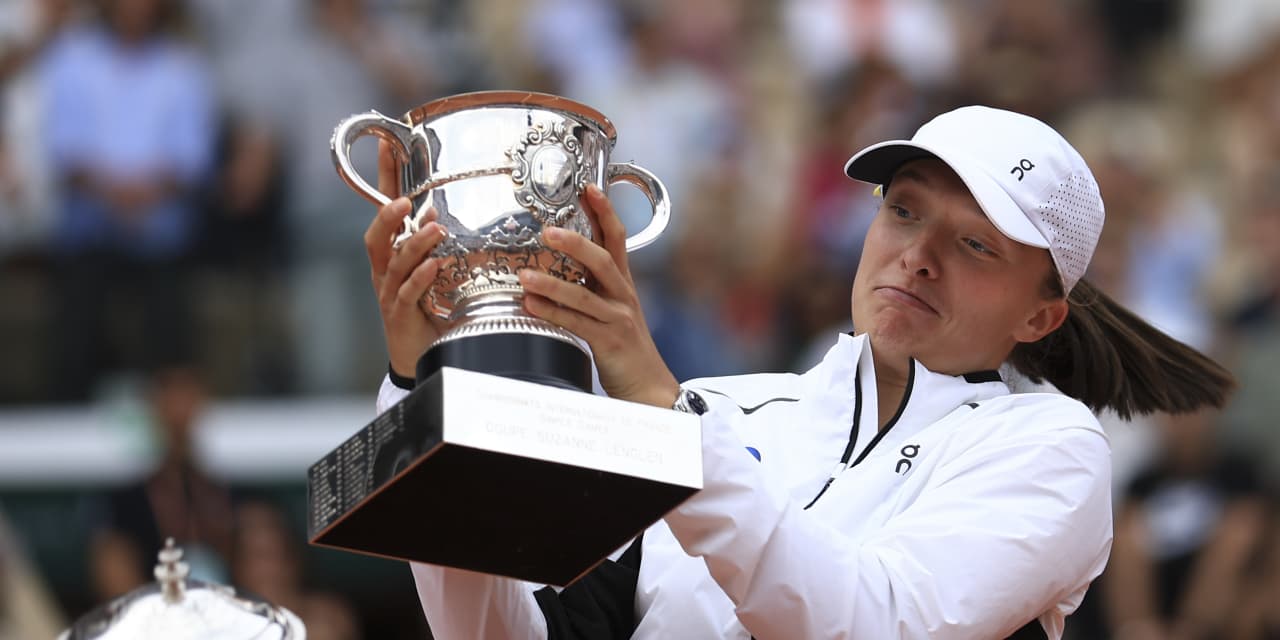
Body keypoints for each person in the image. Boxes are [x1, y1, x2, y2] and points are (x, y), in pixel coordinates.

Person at [362, 106, 1234, 639]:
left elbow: (872, 624)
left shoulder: (1051, 446)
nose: (918, 257)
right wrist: (427, 390)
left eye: (974, 244)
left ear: (1041, 316)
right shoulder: (731, 413)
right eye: (903, 212)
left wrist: (671, 421)